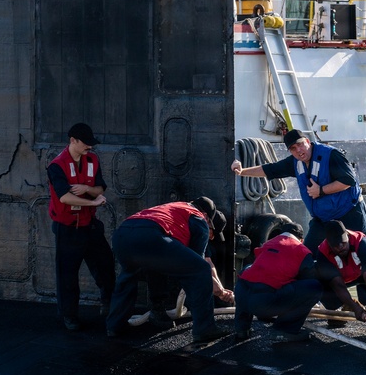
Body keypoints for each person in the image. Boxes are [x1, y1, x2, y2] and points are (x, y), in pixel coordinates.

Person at [106, 198, 233, 343]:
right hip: (151, 235)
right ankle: (205, 329)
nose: (211, 236)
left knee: (129, 277)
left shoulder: (174, 209)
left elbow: (206, 261)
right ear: (206, 216)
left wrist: (219, 287)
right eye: (211, 228)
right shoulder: (198, 218)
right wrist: (219, 291)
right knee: (199, 270)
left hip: (123, 234)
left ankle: (115, 326)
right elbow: (199, 266)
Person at [230, 129, 366, 249]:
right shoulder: (295, 162)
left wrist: (321, 190)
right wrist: (242, 171)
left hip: (349, 212)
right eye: (293, 149)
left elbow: (348, 181)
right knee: (309, 254)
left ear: (307, 141)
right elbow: (270, 169)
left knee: (361, 250)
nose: (299, 151)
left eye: (300, 145)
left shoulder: (331, 155)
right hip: (323, 218)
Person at [47, 122, 116, 331]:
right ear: (73, 141)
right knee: (67, 275)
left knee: (105, 265)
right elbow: (65, 197)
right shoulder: (56, 166)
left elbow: (100, 188)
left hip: (89, 225)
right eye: (86, 144)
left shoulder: (92, 160)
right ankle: (70, 316)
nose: (90, 147)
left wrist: (88, 189)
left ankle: (109, 304)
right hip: (67, 228)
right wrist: (93, 202)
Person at [234, 222, 322, 343]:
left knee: (249, 270)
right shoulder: (301, 250)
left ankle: (242, 328)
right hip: (264, 302)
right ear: (301, 239)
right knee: (314, 287)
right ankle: (285, 330)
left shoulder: (267, 244)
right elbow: (307, 279)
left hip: (242, 296)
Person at [314, 220, 366, 324]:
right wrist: (354, 306)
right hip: (341, 277)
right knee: (316, 279)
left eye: (343, 242)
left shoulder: (361, 242)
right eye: (335, 245)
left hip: (361, 274)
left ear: (347, 235)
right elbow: (338, 285)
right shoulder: (323, 252)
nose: (340, 247)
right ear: (329, 243)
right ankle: (337, 308)